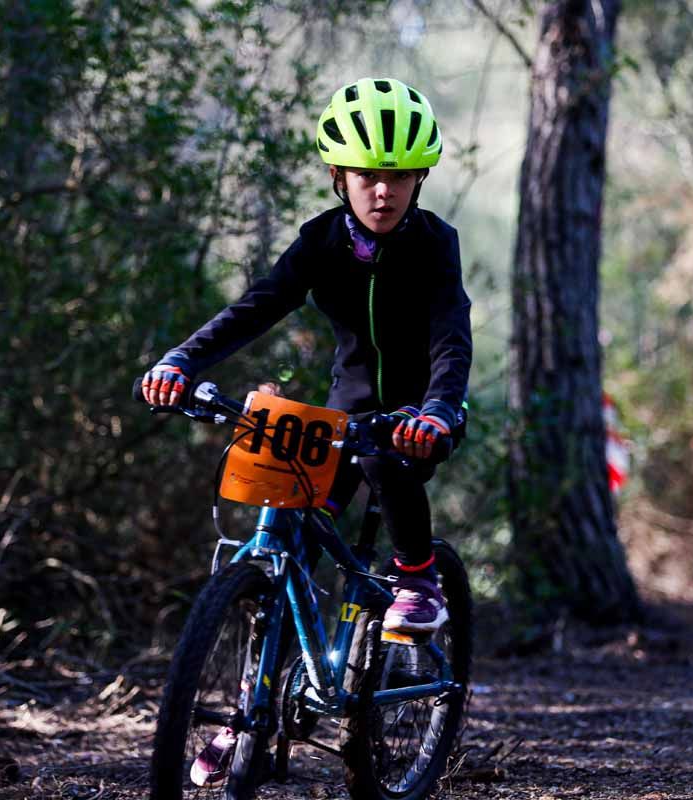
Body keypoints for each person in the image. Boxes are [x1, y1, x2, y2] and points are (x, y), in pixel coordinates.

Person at [137, 77, 472, 785]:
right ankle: (245, 715)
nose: (383, 192)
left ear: (419, 179)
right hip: (342, 414)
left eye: (399, 178)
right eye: (367, 177)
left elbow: (451, 338)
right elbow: (258, 307)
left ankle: (417, 578)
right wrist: (182, 360)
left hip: (413, 419)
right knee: (288, 536)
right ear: (339, 178)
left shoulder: (435, 245)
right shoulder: (320, 242)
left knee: (386, 461)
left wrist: (438, 409)